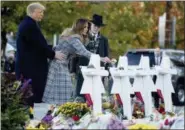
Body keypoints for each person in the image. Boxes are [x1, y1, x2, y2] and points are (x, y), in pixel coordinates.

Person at [42, 18, 111, 105]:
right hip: (58, 66)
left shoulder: (72, 36)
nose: (87, 29)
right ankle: (55, 113)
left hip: (60, 64)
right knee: (63, 91)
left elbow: (67, 50)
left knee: (61, 91)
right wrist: (102, 58)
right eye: (85, 27)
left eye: (87, 27)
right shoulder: (74, 39)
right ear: (79, 27)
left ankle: (56, 112)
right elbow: (84, 52)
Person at [15, 2, 64, 104]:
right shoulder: (30, 26)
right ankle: (33, 119)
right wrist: (54, 54)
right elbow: (39, 45)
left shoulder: (28, 24)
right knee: (34, 95)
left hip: (28, 67)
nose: (42, 14)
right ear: (33, 12)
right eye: (40, 12)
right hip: (32, 69)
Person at [75, 14, 110, 98]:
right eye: (95, 25)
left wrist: (106, 73)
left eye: (99, 26)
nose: (96, 28)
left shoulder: (104, 40)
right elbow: (76, 54)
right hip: (83, 70)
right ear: (91, 25)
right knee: (81, 95)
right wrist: (73, 70)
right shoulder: (82, 37)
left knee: (96, 95)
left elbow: (106, 56)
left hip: (98, 71)